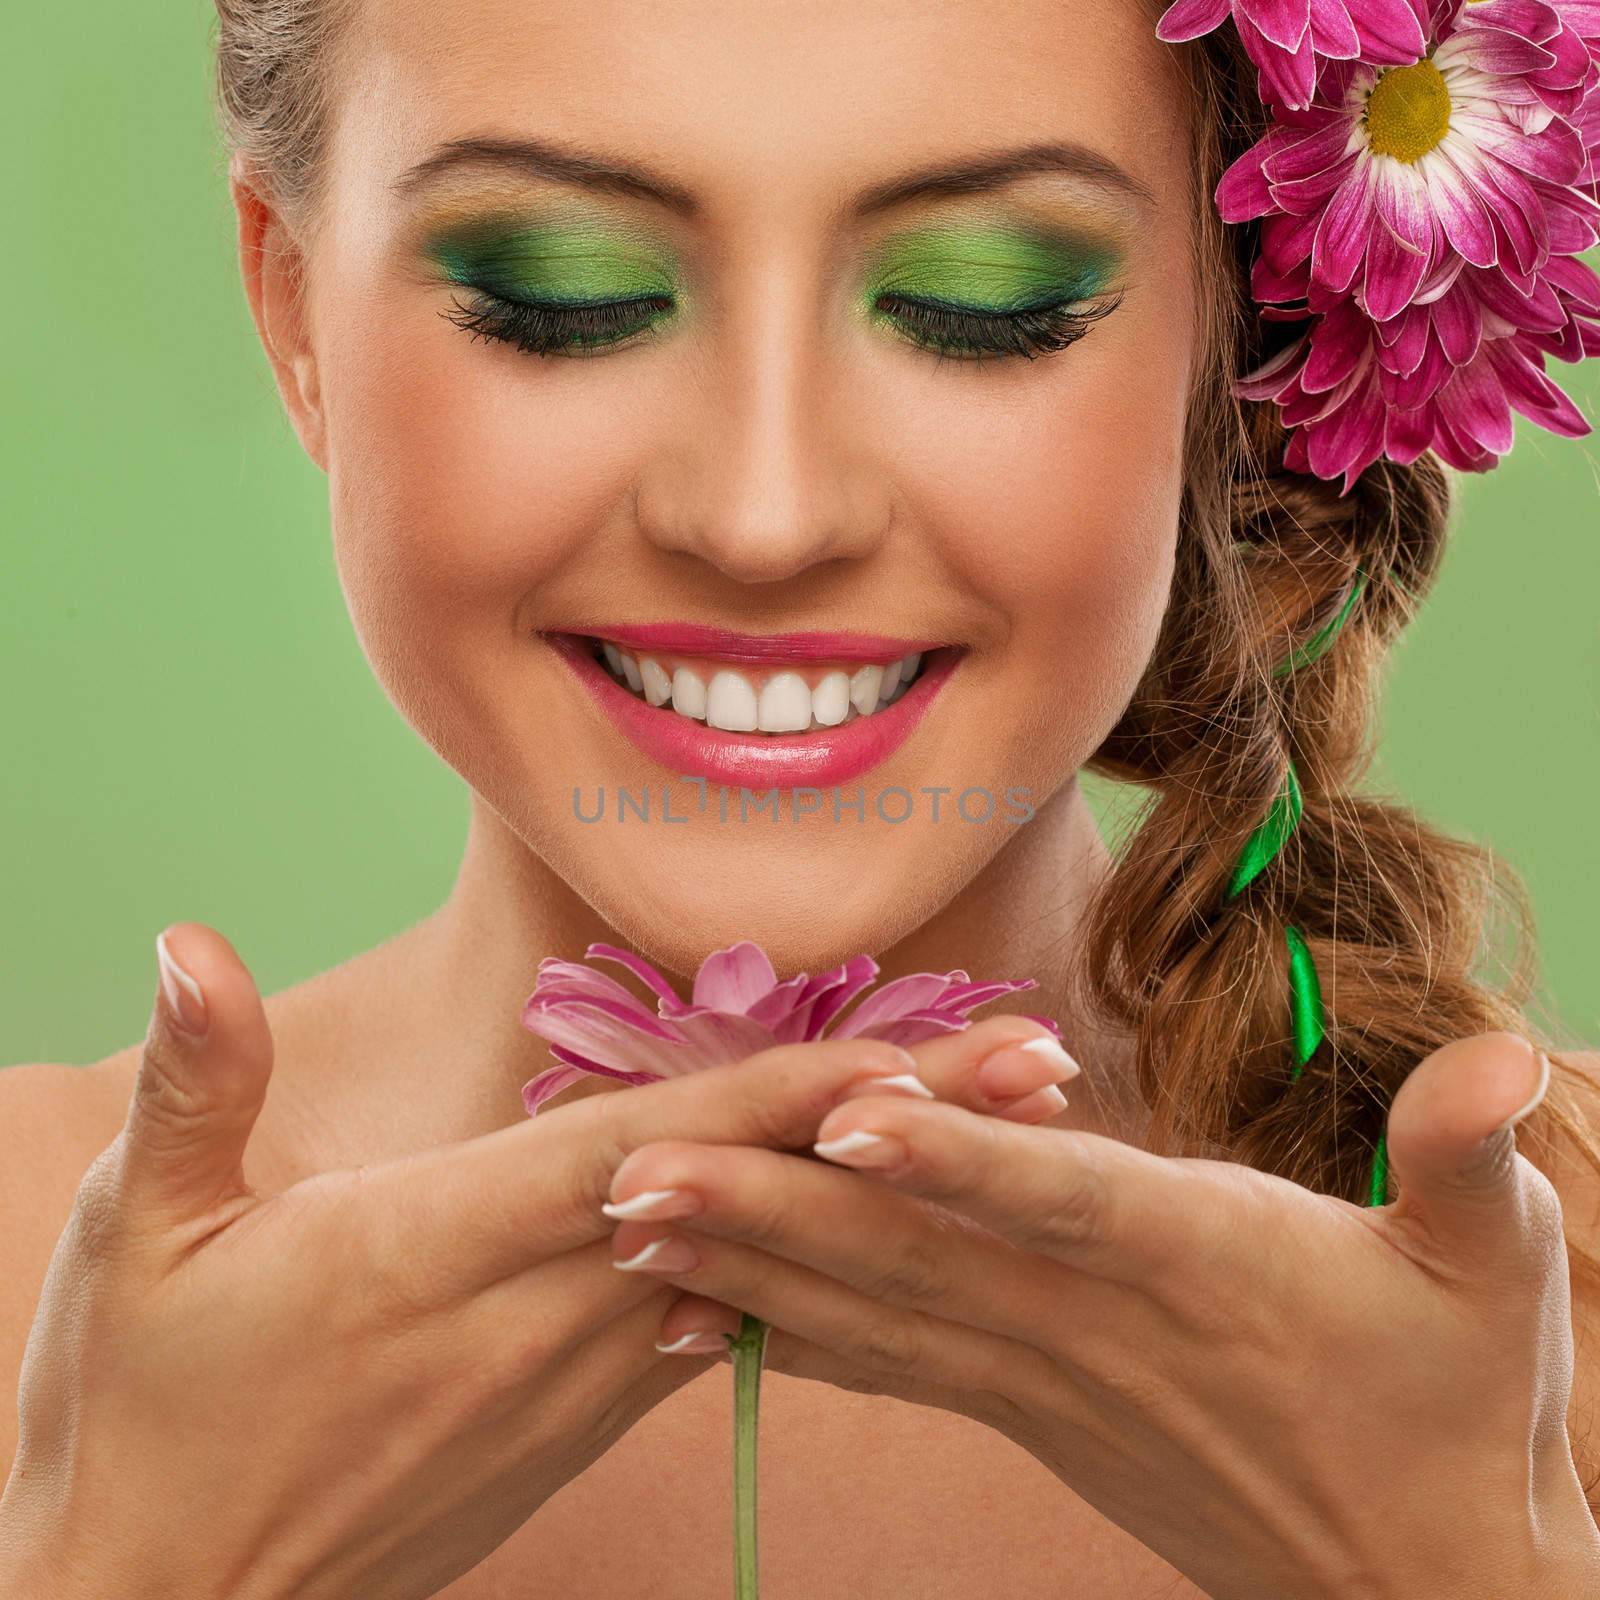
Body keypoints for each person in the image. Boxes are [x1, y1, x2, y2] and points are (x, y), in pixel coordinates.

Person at [2, 1, 1599, 1595]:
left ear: (1236, 354)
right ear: (291, 310)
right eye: (564, 294)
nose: (764, 518)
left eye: (985, 302)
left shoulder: (1546, 1301)